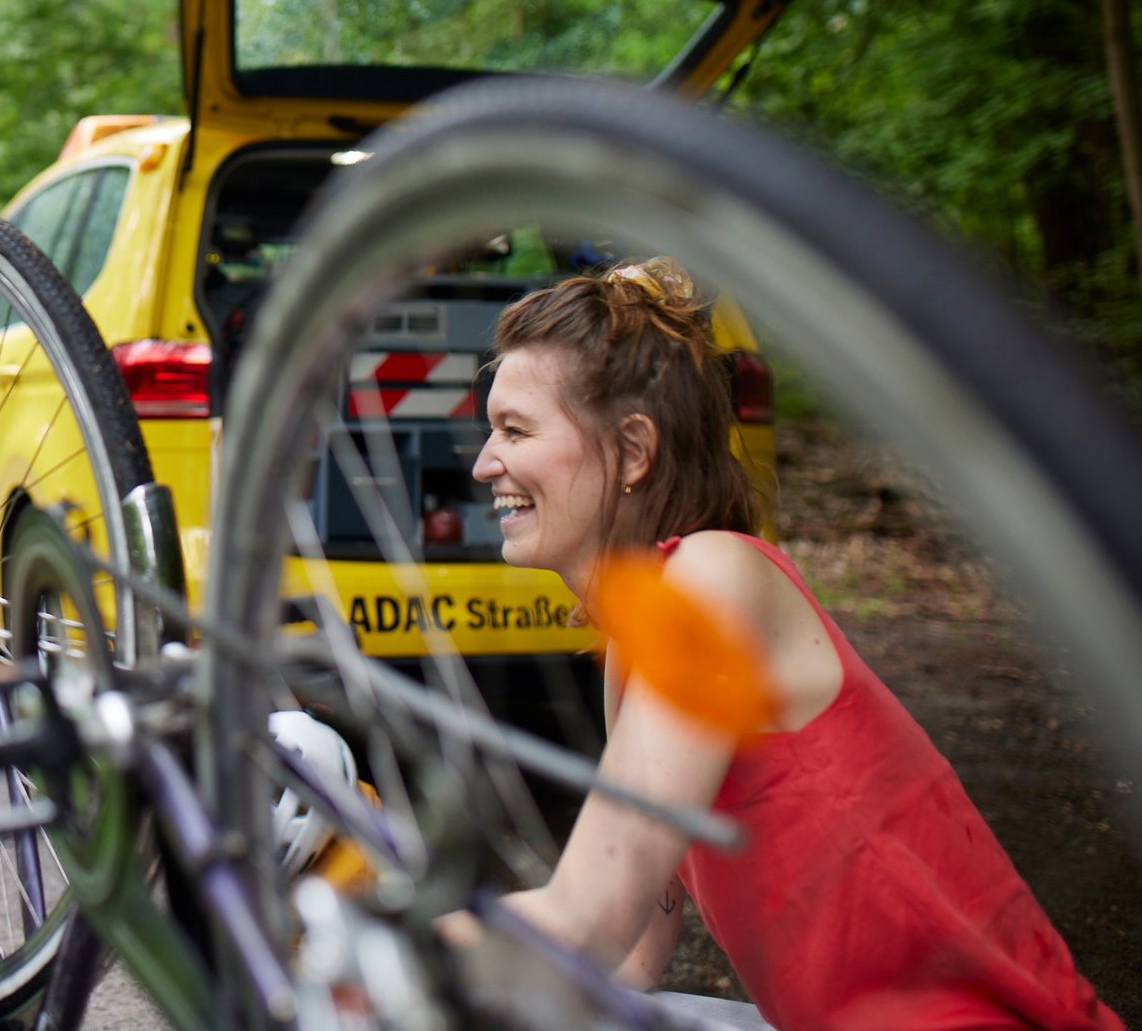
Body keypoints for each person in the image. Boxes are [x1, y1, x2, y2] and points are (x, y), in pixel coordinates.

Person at [463, 257, 1120, 1030]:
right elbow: (634, 947)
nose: (483, 462)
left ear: (634, 451)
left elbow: (589, 916)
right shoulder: (637, 641)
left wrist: (346, 945)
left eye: (514, 429)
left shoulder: (713, 576)